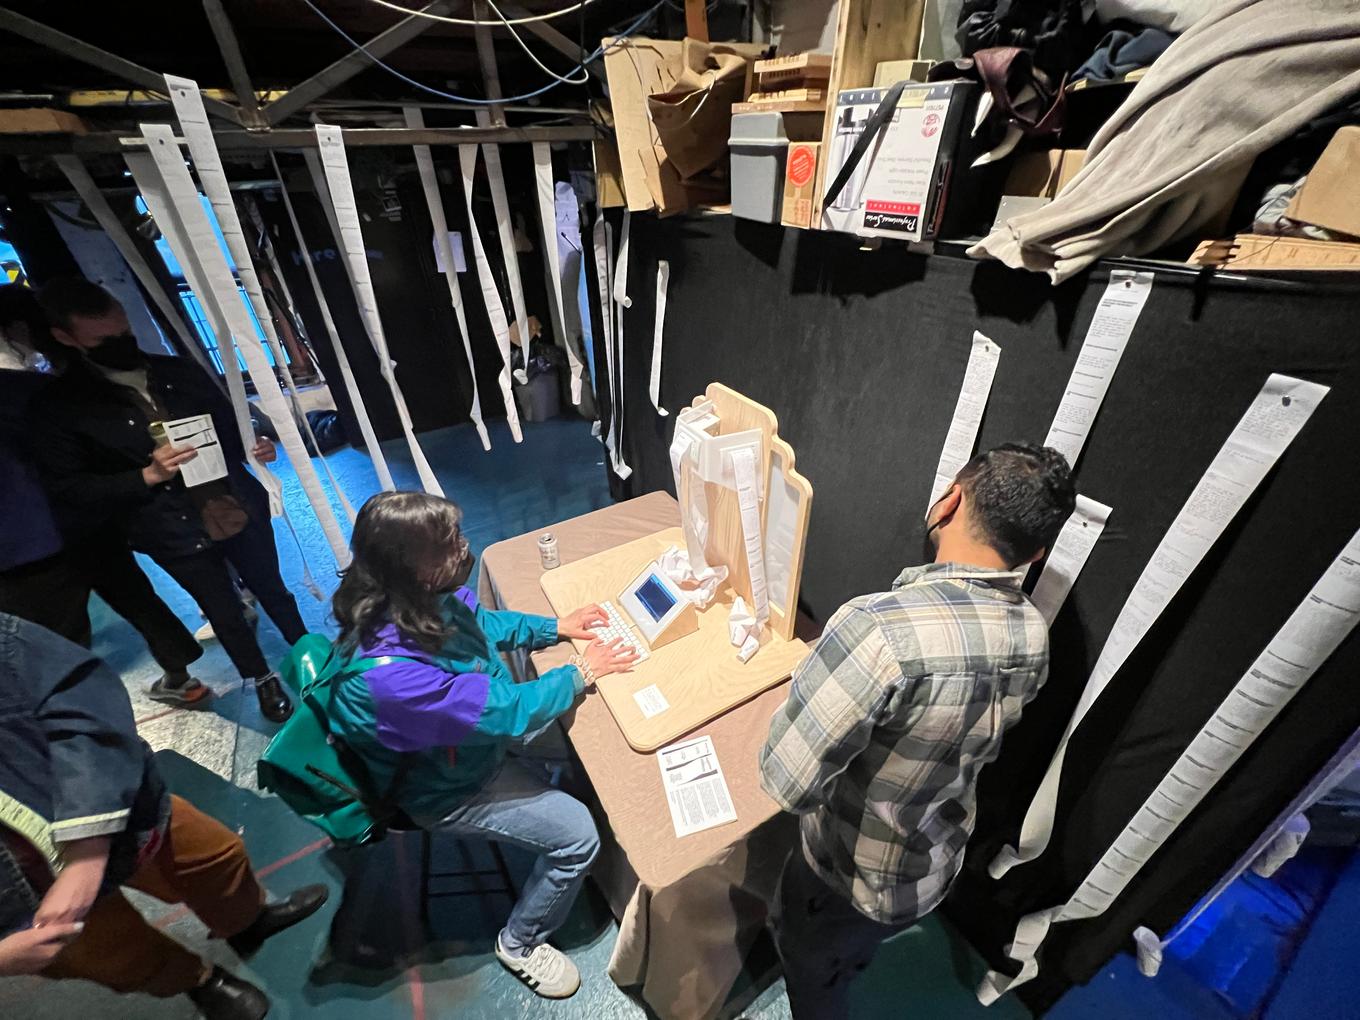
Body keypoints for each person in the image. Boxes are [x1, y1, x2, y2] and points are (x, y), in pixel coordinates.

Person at [759, 443, 1076, 1019]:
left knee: (807, 960)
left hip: (845, 879)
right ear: (1037, 553)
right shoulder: (1033, 634)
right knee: (851, 954)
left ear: (950, 500)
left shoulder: (877, 629)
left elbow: (786, 784)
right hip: (933, 867)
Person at [326, 491, 637, 999]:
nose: (465, 549)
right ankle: (520, 941)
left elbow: (478, 624)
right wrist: (581, 670)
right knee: (579, 836)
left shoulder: (405, 596)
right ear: (414, 569)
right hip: (446, 788)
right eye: (450, 545)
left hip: (464, 745)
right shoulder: (393, 681)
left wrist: (553, 628)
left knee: (574, 727)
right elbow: (510, 713)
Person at [0, 611, 328, 1020]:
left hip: (115, 809)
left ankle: (247, 921)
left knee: (214, 857)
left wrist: (86, 847)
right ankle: (199, 980)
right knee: (118, 955)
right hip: (18, 906)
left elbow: (80, 697)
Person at [31, 277, 303, 722]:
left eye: (125, 334)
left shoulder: (178, 372)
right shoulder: (62, 406)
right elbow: (68, 487)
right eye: (104, 340)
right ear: (66, 337)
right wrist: (145, 475)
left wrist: (258, 441)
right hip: (166, 524)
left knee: (273, 588)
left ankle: (309, 656)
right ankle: (261, 678)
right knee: (223, 609)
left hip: (232, 502)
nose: (121, 344)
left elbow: (235, 420)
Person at [0, 283, 208, 706]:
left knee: (57, 646)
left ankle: (93, 733)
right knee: (135, 595)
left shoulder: (27, 391)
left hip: (25, 541)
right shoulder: (62, 382)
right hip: (90, 518)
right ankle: (180, 674)